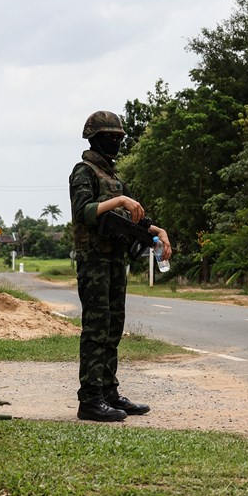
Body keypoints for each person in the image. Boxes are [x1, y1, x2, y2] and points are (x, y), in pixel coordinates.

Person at [69, 110, 172, 422]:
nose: (115, 142)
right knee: (96, 329)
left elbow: (136, 219)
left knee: (113, 329)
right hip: (94, 262)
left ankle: (108, 392)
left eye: (119, 137)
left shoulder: (114, 179)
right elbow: (83, 212)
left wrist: (159, 233)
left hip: (115, 261)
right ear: (96, 138)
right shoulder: (83, 172)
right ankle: (90, 399)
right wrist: (119, 202)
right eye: (110, 137)